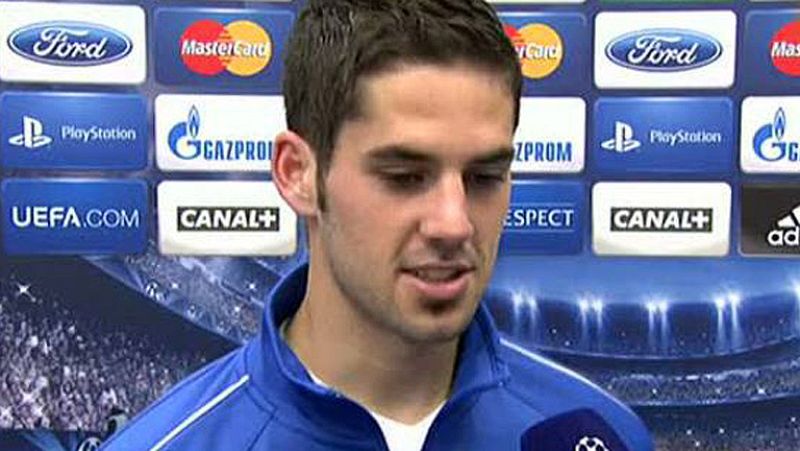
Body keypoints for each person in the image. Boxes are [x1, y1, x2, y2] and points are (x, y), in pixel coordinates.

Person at [101, 0, 653, 450]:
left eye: (484, 177)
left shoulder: (597, 434)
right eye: (404, 176)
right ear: (298, 174)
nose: (454, 223)